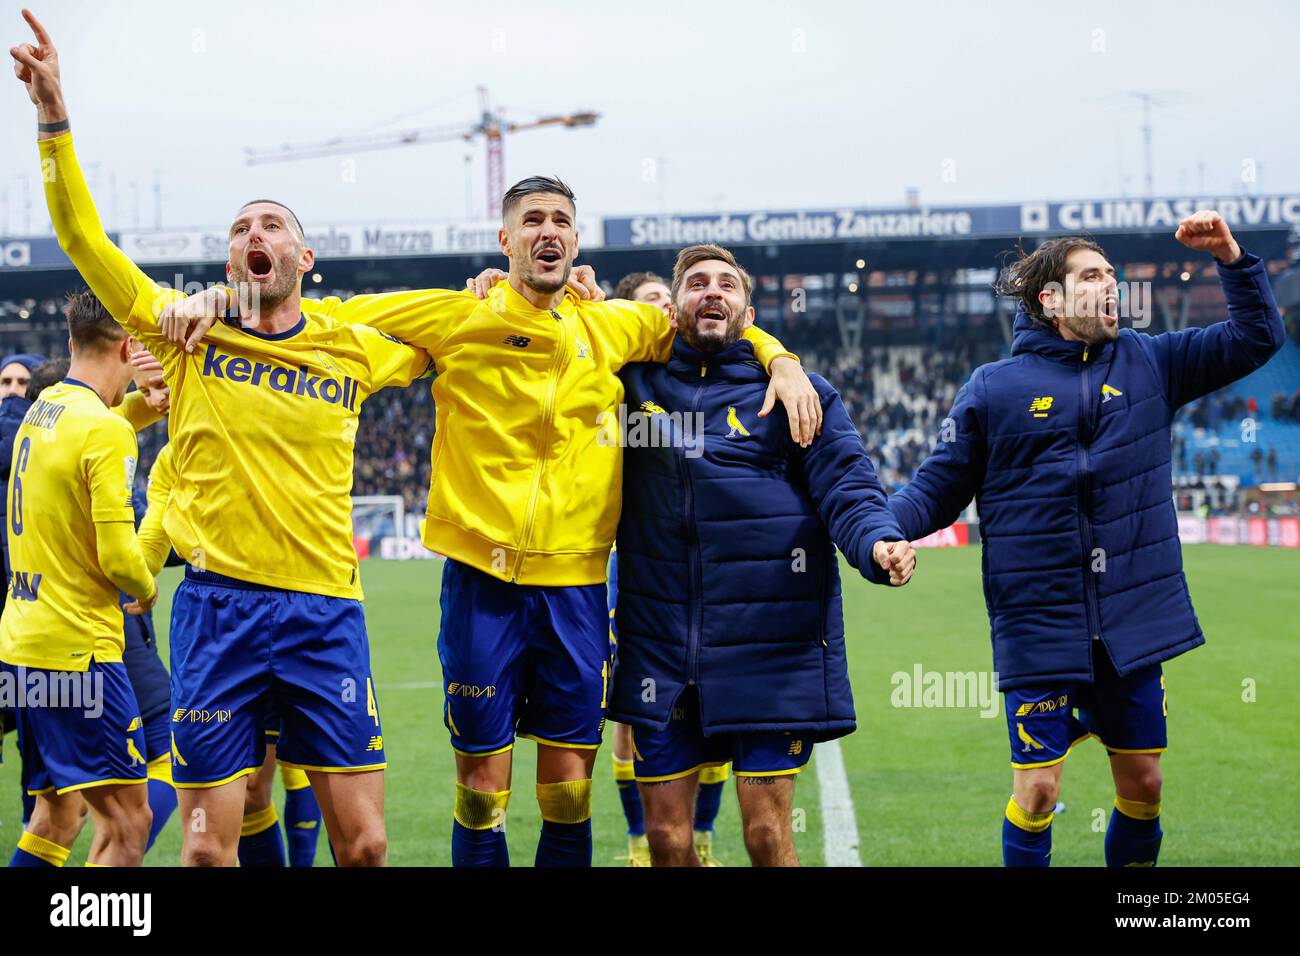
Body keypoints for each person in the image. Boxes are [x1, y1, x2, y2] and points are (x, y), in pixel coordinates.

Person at [167, 174, 819, 867]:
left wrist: (784, 359)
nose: (548, 230)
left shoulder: (616, 324)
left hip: (574, 591)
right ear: (505, 241)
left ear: (575, 239)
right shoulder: (454, 314)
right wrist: (222, 296)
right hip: (481, 584)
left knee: (567, 790)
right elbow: (320, 310)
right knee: (481, 787)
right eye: (531, 220)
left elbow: (708, 315)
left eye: (561, 220)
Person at [14, 9, 437, 865]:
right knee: (207, 850)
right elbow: (83, 240)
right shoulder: (181, 331)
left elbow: (457, 335)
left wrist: (529, 284)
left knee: (366, 847)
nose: (255, 236)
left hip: (326, 611)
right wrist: (54, 118)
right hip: (217, 612)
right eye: (241, 227)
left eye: (272, 224)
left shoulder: (353, 344)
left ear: (304, 257)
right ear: (227, 256)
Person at [885, 212, 1284, 866]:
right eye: (1092, 277)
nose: (1111, 288)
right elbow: (935, 487)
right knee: (1039, 791)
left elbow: (1256, 336)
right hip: (1040, 623)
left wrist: (1232, 257)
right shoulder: (994, 389)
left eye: (1112, 277)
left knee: (1145, 785)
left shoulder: (1151, 360)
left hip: (1133, 620)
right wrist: (883, 533)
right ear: (1052, 300)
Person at [606, 244, 915, 866]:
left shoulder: (798, 394)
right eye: (696, 284)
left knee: (766, 837)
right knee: (666, 841)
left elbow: (847, 484)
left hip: (771, 641)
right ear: (674, 308)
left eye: (727, 284)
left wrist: (875, 540)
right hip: (663, 642)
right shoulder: (630, 387)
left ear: (749, 313)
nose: (711, 292)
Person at [1, 290, 157, 867]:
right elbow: (119, 559)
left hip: (22, 647)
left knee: (56, 815)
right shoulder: (103, 431)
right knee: (128, 821)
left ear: (71, 343)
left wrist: (145, 406)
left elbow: (94, 429)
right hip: (79, 656)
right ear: (130, 347)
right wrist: (146, 586)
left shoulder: (41, 411)